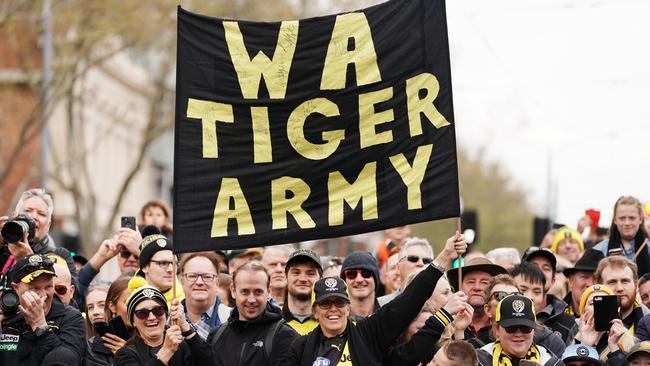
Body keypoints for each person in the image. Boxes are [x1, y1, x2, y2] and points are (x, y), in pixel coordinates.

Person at [285, 233, 467, 366]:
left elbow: (408, 301)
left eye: (339, 302)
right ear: (315, 311)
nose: (333, 308)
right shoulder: (301, 346)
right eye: (325, 303)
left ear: (348, 309)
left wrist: (444, 257)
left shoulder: (367, 334)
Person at [200, 261, 298, 366]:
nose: (251, 299)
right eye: (245, 292)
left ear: (268, 291)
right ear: (233, 291)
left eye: (258, 292)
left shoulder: (284, 336)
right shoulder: (217, 336)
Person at [0, 253, 86, 366]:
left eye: (48, 287)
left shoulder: (70, 317)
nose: (43, 295)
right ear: (16, 288)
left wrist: (40, 326)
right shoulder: (7, 316)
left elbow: (64, 361)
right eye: (34, 288)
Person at [470, 274, 566, 358]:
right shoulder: (478, 348)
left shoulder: (549, 342)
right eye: (500, 296)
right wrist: (459, 331)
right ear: (487, 309)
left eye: (515, 296)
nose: (509, 301)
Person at [114, 285, 201, 365]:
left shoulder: (182, 346)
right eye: (142, 313)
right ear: (133, 321)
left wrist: (187, 329)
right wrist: (166, 351)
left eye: (158, 310)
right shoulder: (125, 354)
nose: (151, 317)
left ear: (166, 315)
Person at [0, 188, 77, 279]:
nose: (33, 217)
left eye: (41, 214)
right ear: (14, 217)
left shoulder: (60, 256)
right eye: (27, 211)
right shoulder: (4, 250)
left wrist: (28, 260)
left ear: (48, 225)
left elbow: (66, 292)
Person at [476, 295, 561, 366]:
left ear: (534, 330)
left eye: (526, 328)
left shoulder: (551, 363)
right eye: (511, 328)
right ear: (496, 329)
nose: (518, 334)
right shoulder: (477, 361)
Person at [511, 262, 578, 343]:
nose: (530, 297)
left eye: (537, 292)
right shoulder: (497, 322)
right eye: (523, 290)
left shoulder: (554, 339)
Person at [446, 257, 507, 343]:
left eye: (484, 283)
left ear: (494, 289)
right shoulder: (447, 325)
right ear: (460, 287)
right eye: (471, 282)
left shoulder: (505, 326)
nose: (477, 287)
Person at [574, 284, 635, 361]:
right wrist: (585, 346)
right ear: (583, 313)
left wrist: (614, 348)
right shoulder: (575, 340)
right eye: (592, 303)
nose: (599, 308)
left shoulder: (626, 340)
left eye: (605, 303)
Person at [593, 196, 650, 276]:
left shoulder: (648, 248)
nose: (627, 223)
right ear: (615, 220)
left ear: (640, 219)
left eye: (632, 218)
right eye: (622, 218)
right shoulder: (599, 251)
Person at [179, 252, 230, 340]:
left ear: (217, 282)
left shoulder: (232, 319)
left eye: (207, 276)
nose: (199, 282)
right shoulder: (167, 321)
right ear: (182, 281)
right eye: (192, 276)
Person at [84, 276, 133, 366]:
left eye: (102, 305)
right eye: (90, 307)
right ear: (112, 307)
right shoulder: (91, 346)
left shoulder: (150, 335)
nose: (95, 312)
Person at [128, 234, 185, 306]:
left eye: (174, 263)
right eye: (163, 263)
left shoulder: (188, 303)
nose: (171, 269)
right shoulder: (127, 299)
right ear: (145, 267)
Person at [378, 237, 434, 306]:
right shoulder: (381, 304)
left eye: (426, 261)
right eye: (413, 259)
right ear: (399, 266)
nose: (420, 263)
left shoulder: (442, 301)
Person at [595, 256, 646, 331]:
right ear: (599, 287)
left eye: (625, 281)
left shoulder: (647, 321)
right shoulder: (584, 326)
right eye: (612, 282)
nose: (619, 288)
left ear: (636, 285)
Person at [283, 248, 323, 335]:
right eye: (296, 272)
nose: (303, 279)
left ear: (321, 278)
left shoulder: (330, 322)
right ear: (286, 277)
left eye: (310, 273)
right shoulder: (273, 321)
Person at [562, 249, 603, 317]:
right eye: (584, 277)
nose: (590, 284)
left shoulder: (616, 318)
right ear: (571, 281)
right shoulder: (556, 314)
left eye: (596, 278)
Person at [340, 251, 381, 317]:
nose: (359, 280)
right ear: (344, 281)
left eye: (366, 273)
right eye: (351, 274)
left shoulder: (388, 314)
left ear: (375, 279)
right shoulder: (337, 319)